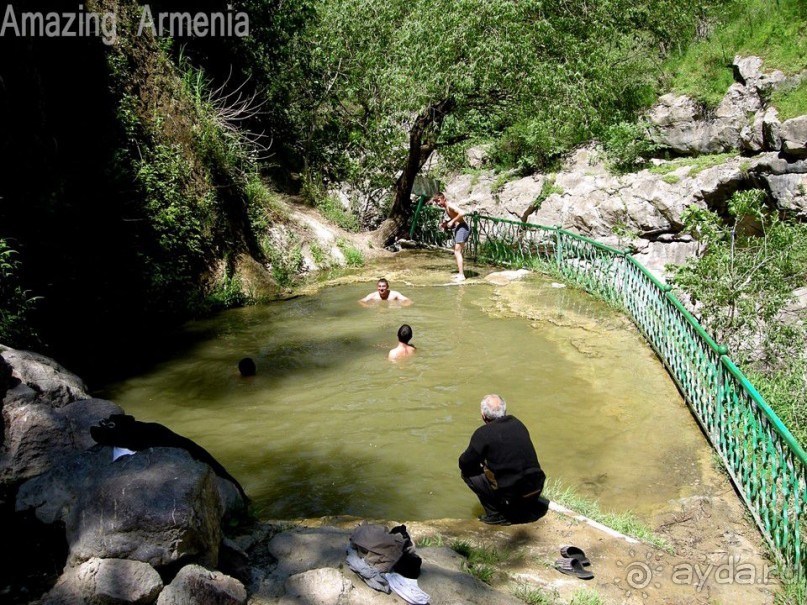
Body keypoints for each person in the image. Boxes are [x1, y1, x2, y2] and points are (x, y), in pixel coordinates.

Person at [458, 394, 548, 525]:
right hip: (536, 488)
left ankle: (497, 514)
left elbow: (464, 463)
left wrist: (483, 464)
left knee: (468, 473)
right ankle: (524, 507)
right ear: (504, 411)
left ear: (483, 415)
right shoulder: (518, 423)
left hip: (514, 496)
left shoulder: (483, 433)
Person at [431, 192, 469, 281]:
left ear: (444, 198)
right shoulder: (446, 207)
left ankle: (461, 275)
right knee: (456, 251)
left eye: (439, 201)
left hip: (462, 228)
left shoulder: (450, 206)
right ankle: (460, 273)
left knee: (457, 251)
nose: (438, 203)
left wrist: (452, 222)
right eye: (436, 202)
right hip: (459, 228)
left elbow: (462, 213)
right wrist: (446, 224)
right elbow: (455, 217)